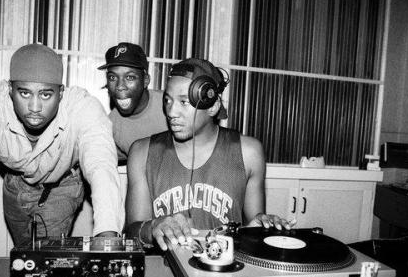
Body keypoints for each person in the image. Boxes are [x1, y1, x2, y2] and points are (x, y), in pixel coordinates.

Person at [0, 43, 123, 261]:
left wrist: (108, 238)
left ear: (61, 93)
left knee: (45, 262)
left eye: (45, 95)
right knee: (24, 262)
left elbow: (101, 166)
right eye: (24, 93)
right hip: (15, 184)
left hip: (63, 185)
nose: (34, 107)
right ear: (9, 89)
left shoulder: (84, 109)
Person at [125, 58, 291, 251]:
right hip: (163, 274)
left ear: (212, 106)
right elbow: (131, 234)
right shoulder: (141, 153)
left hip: (225, 273)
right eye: (167, 100)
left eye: (184, 102)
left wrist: (262, 226)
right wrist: (152, 227)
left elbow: (252, 230)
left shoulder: (249, 153)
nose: (171, 112)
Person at [98, 42, 167, 163]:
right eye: (112, 78)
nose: (120, 86)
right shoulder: (110, 126)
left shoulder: (170, 105)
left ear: (145, 80)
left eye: (129, 77)